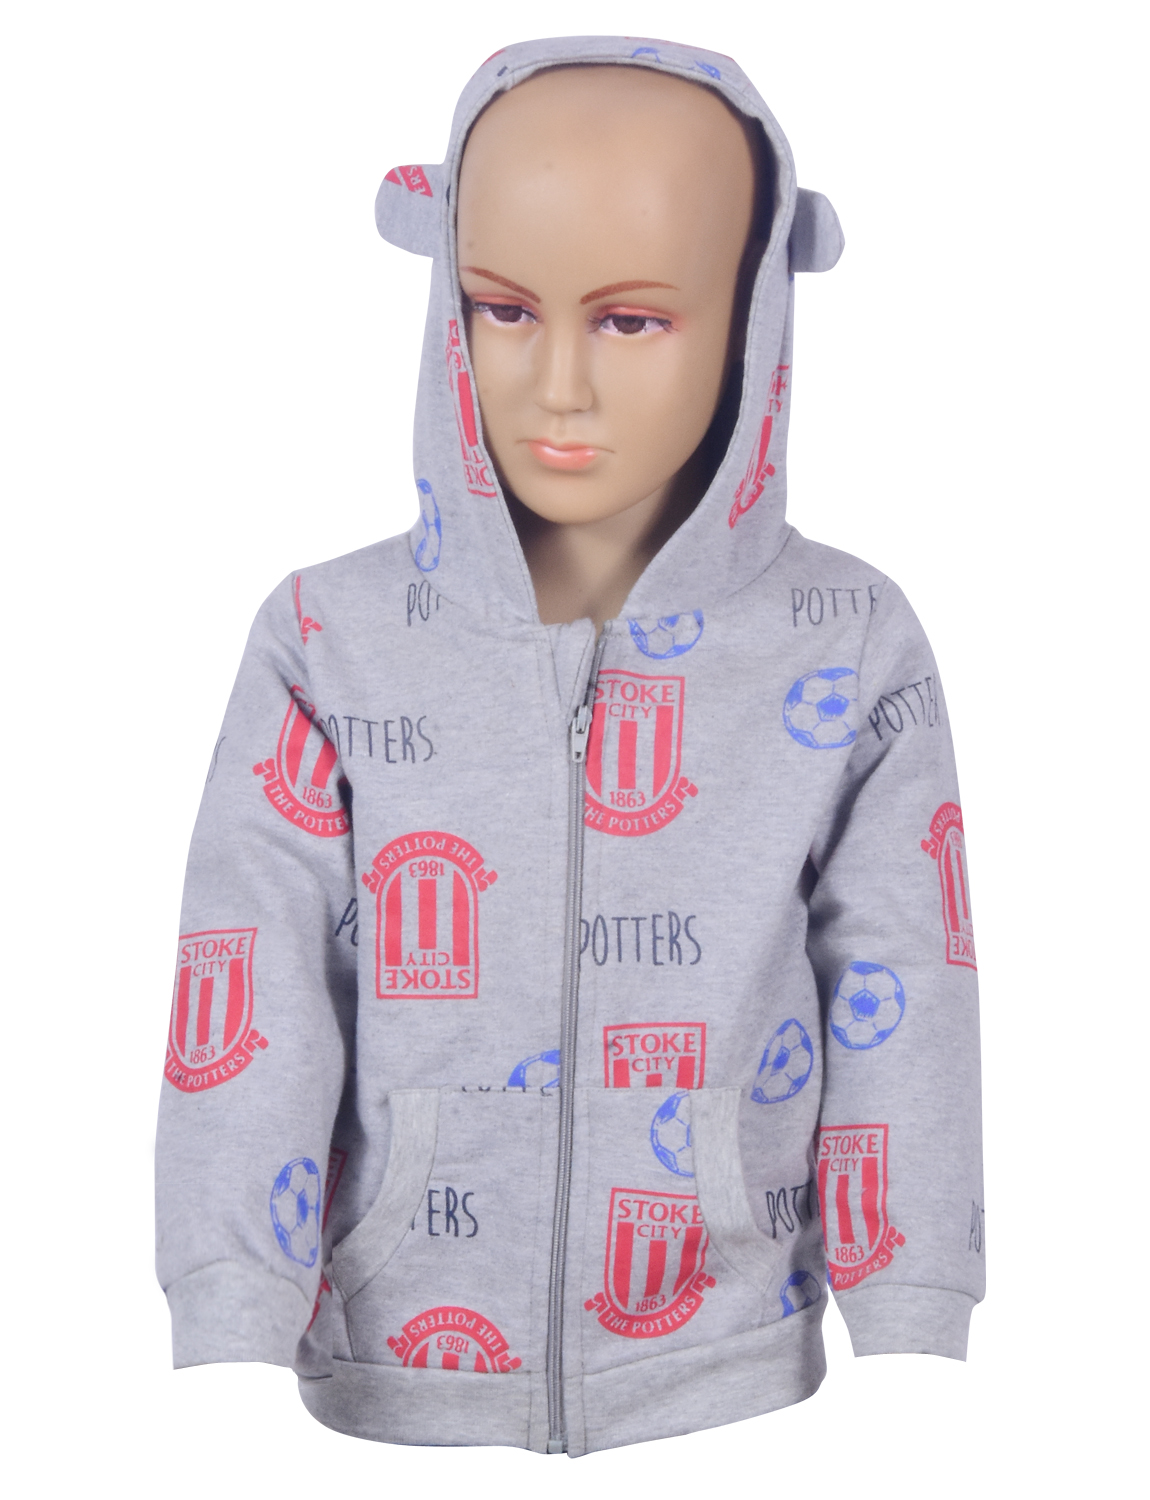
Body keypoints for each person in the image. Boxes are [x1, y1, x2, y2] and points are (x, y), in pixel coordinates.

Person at [156, 37, 984, 1457]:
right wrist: (227, 1329)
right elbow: (253, 984)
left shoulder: (848, 640)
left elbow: (906, 989)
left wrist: (913, 1331)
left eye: (632, 321)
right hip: (376, 1397)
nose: (557, 386)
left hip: (740, 1404)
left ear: (753, 313)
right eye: (502, 308)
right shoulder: (328, 636)